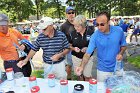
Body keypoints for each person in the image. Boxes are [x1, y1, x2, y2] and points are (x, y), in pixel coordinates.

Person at [75, 11, 127, 82]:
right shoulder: (95, 36)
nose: (99, 27)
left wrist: (121, 53)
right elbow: (87, 54)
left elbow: (123, 46)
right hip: (103, 71)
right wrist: (81, 67)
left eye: (102, 24)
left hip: (118, 68)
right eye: (97, 24)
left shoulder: (119, 31)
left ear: (108, 22)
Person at [68, 15, 94, 81]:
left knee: (87, 76)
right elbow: (68, 45)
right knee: (79, 75)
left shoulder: (91, 32)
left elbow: (95, 46)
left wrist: (87, 48)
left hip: (88, 57)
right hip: (76, 57)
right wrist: (74, 49)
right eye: (74, 26)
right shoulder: (72, 33)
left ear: (83, 25)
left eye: (77, 26)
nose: (75, 28)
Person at [60, 6, 76, 80]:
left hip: (79, 48)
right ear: (66, 14)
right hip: (69, 49)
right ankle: (69, 79)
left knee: (79, 65)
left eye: (73, 12)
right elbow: (61, 39)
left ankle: (81, 80)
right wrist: (67, 45)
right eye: (69, 13)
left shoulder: (78, 23)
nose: (71, 14)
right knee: (69, 65)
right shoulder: (63, 26)